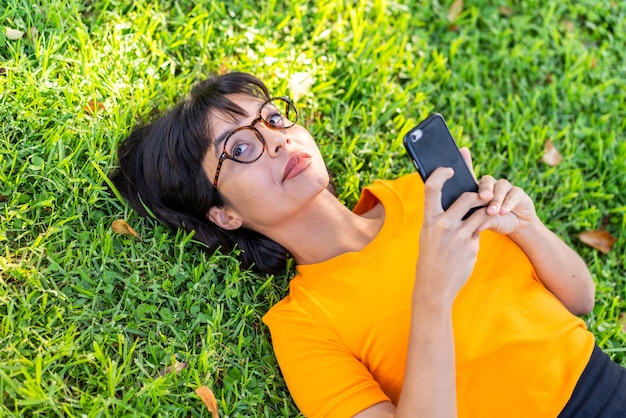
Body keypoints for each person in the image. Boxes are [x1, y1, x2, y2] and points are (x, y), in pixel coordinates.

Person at [111, 72, 626, 417]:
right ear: (225, 213)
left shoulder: (421, 193)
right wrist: (432, 294)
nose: (275, 140)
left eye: (271, 117)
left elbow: (579, 302)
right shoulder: (302, 326)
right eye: (239, 148)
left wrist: (529, 228)